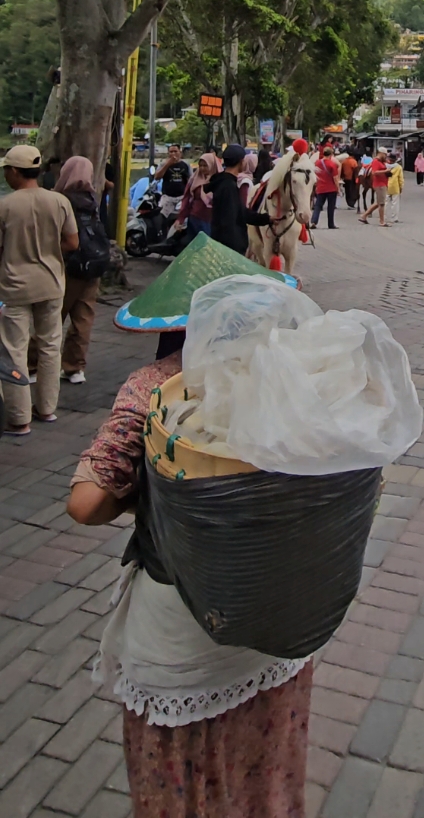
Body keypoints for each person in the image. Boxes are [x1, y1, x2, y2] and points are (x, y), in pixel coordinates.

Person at [67, 348, 312, 818]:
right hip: (282, 629)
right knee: (264, 784)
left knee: (181, 791)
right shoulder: (297, 367)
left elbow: (86, 503)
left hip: (183, 647)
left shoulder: (155, 385)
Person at [0, 145, 79, 434]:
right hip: (52, 283)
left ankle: (19, 419)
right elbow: (72, 243)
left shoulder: (5, 205)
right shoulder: (59, 202)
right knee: (49, 346)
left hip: (15, 285)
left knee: (14, 350)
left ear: (15, 172)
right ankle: (46, 409)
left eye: (6, 169)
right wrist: (47, 252)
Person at [57, 157, 106, 387]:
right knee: (84, 317)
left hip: (69, 267)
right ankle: (74, 367)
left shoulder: (61, 199)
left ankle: (34, 364)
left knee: (53, 316)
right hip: (93, 265)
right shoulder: (91, 198)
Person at [208, 146, 271, 254]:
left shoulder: (225, 183)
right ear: (241, 161)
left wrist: (267, 219)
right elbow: (233, 218)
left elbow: (241, 212)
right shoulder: (229, 187)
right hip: (229, 249)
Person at [175, 153, 219, 237]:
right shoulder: (194, 179)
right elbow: (187, 199)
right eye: (200, 165)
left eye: (205, 166)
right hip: (195, 218)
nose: (202, 168)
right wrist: (181, 218)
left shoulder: (219, 181)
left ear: (212, 165)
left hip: (212, 220)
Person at [154, 145, 191, 224]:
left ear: (180, 153)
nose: (173, 153)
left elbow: (190, 180)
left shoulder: (185, 165)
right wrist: (168, 164)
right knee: (162, 219)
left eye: (175, 151)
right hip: (167, 197)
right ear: (168, 153)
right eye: (171, 152)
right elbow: (157, 177)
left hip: (181, 197)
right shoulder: (163, 164)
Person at [359, 150, 390, 227]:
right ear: (381, 153)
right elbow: (374, 172)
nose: (386, 156)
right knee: (381, 204)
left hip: (383, 183)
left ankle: (364, 216)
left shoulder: (382, 161)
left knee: (378, 202)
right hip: (379, 184)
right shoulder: (376, 161)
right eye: (385, 155)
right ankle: (382, 221)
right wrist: (386, 171)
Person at [311, 149, 340, 229]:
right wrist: (338, 189)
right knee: (331, 207)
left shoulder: (317, 162)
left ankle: (314, 221)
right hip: (331, 188)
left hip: (320, 187)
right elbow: (335, 178)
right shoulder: (332, 164)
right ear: (331, 155)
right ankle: (331, 224)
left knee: (318, 206)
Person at [386, 154, 404, 225]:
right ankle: (394, 218)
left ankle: (385, 217)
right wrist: (401, 187)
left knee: (386, 203)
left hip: (386, 186)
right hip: (395, 187)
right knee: (395, 203)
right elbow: (401, 179)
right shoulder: (399, 167)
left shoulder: (385, 166)